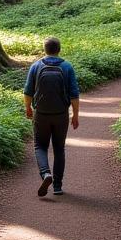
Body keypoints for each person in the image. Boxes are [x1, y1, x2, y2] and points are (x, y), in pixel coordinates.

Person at [23, 36, 80, 197]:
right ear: (59, 49)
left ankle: (45, 174)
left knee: (40, 146)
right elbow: (74, 94)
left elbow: (28, 92)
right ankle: (57, 186)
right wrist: (75, 115)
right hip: (61, 114)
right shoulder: (67, 67)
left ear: (45, 49)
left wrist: (28, 108)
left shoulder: (35, 66)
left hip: (41, 114)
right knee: (59, 148)